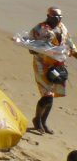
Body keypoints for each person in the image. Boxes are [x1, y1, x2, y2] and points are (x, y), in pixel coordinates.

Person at [28, 7, 77, 135]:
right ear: (49, 17)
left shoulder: (62, 27)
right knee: (47, 95)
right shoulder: (40, 29)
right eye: (56, 18)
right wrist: (33, 48)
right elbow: (30, 43)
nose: (58, 20)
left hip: (58, 65)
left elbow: (69, 42)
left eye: (60, 18)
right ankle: (37, 120)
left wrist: (74, 52)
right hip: (42, 65)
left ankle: (44, 121)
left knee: (52, 95)